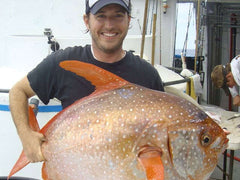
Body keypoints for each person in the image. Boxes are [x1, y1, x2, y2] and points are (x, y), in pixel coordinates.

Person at [9, 0, 164, 163]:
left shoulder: (148, 75)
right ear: (86, 20)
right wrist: (26, 135)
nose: (109, 25)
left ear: (128, 20)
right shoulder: (62, 63)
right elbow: (18, 91)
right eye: (101, 16)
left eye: (118, 16)